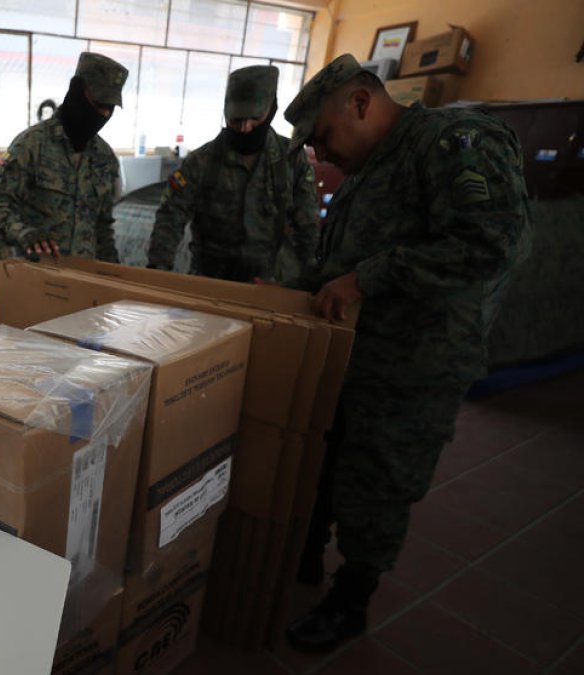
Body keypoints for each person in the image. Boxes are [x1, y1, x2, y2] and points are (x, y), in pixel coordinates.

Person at [281, 54, 531, 653]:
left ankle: (352, 599)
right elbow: (343, 260)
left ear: (361, 104)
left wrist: (366, 280)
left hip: (414, 365)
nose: (319, 155)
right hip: (354, 357)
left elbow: (490, 244)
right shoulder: (369, 165)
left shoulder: (453, 142)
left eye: (322, 138)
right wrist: (299, 287)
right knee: (327, 461)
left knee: (379, 482)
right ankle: (306, 556)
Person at [148, 65, 319, 282]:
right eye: (236, 119)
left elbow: (308, 226)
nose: (245, 128)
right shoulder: (200, 162)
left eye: (254, 118)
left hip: (268, 283)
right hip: (209, 281)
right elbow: (170, 218)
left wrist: (307, 280)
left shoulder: (292, 160)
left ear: (271, 110)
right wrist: (157, 272)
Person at [0, 52, 128, 263]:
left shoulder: (104, 158)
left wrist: (114, 275)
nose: (104, 114)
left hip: (85, 282)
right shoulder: (31, 146)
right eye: (98, 103)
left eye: (111, 108)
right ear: (77, 91)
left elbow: (103, 229)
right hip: (36, 279)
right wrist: (24, 233)